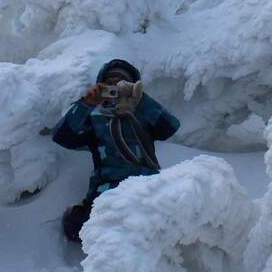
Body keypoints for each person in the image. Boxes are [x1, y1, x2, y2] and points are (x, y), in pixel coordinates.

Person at [51, 58, 181, 243]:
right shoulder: (94, 117)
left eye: (121, 83)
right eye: (109, 84)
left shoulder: (143, 112)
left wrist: (140, 98)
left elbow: (170, 127)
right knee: (75, 226)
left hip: (144, 188)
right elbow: (62, 136)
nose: (115, 87)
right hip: (105, 193)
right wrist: (86, 103)